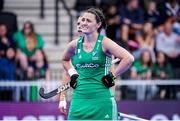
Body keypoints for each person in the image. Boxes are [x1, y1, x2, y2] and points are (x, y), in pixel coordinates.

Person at [61, 7, 134, 120]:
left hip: (101, 100)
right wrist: (72, 73)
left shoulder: (105, 43)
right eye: (83, 20)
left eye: (88, 20)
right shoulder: (74, 45)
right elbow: (65, 61)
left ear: (98, 24)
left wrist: (112, 76)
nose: (84, 23)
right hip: (78, 101)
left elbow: (128, 58)